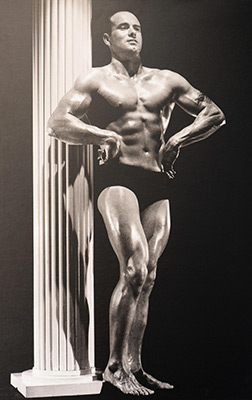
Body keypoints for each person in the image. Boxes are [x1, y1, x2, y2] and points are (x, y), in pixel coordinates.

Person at [47, 11, 225, 396]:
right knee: (135, 268)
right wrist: (99, 135)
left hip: (157, 180)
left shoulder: (167, 79)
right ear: (107, 39)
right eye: (123, 27)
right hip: (119, 179)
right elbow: (58, 122)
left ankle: (135, 365)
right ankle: (113, 366)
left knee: (149, 277)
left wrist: (177, 140)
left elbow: (214, 114)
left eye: (137, 28)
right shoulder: (95, 79)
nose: (132, 33)